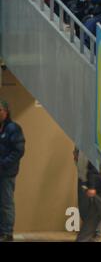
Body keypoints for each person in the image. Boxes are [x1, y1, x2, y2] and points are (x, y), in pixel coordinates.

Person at [0, 100, 25, 242]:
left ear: (6, 112)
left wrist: (3, 164)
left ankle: (7, 233)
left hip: (7, 173)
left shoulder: (13, 128)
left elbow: (18, 151)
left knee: (6, 203)